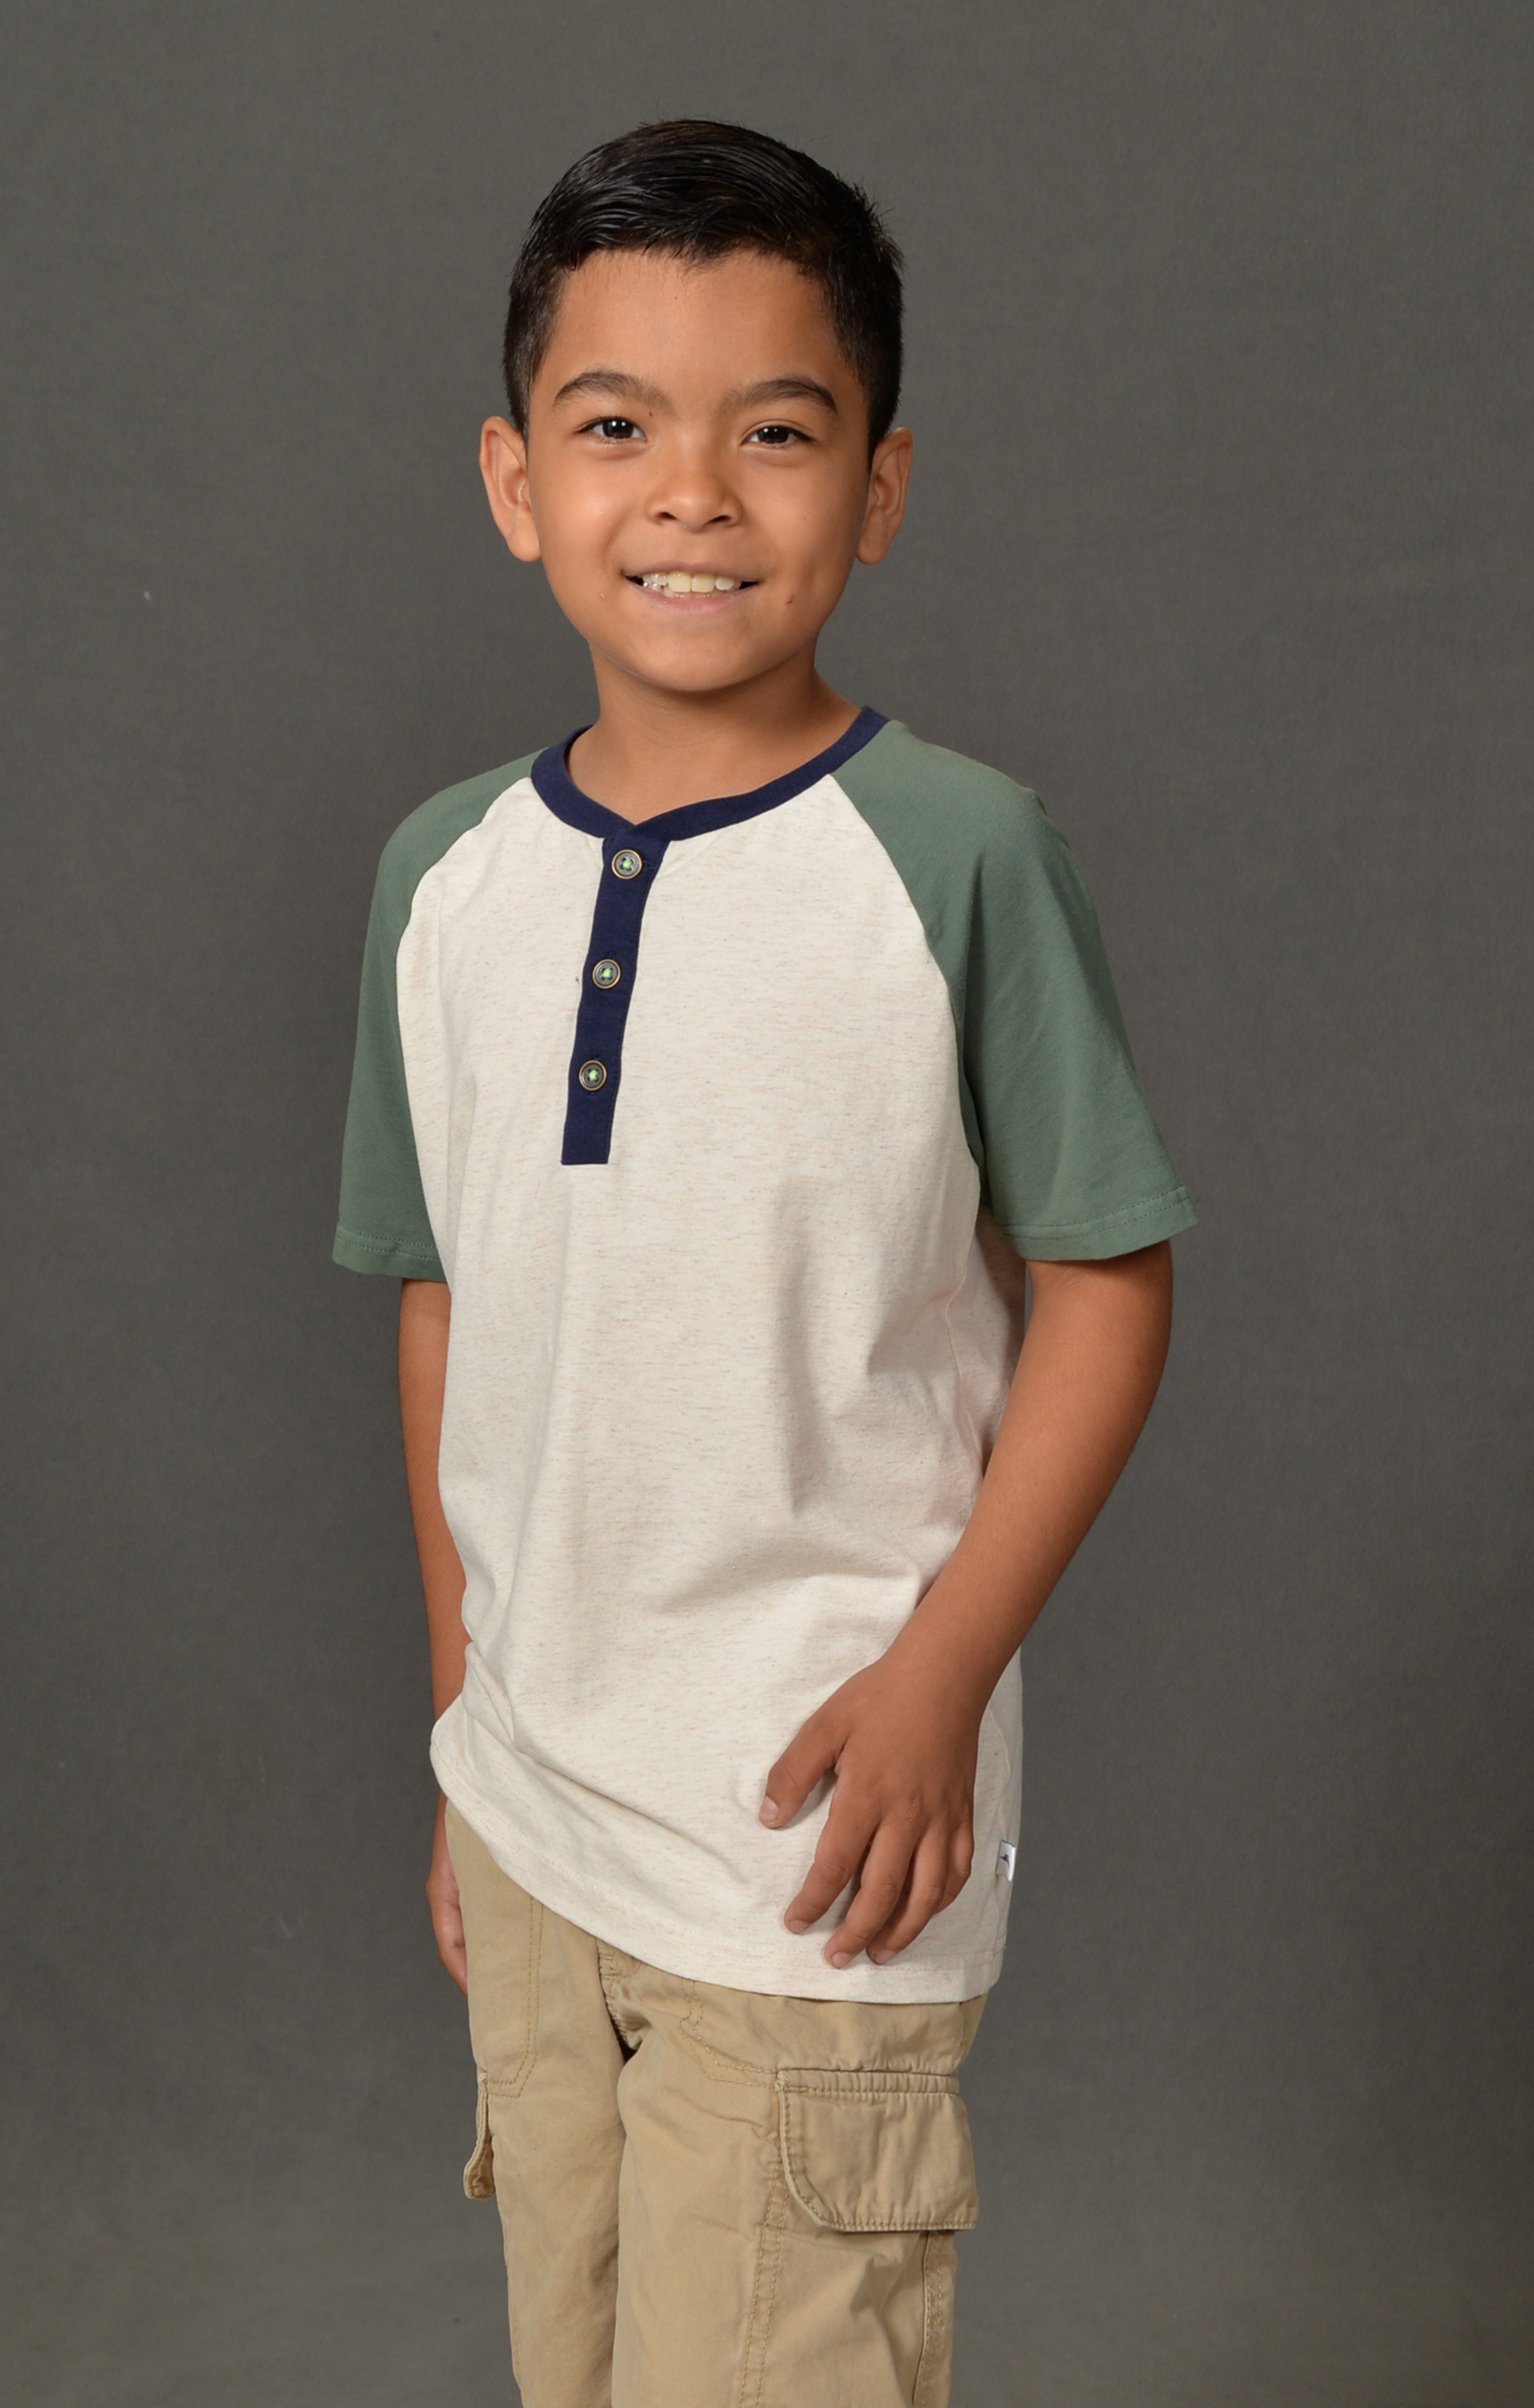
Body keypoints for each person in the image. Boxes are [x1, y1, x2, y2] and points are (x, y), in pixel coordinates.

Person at [334, 118, 1196, 2408]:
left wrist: (947, 1677)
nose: (695, 496)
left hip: (818, 1847)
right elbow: (443, 1304)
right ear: (516, 480)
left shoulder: (959, 858)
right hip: (538, 1822)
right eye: (619, 427)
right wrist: (463, 1727)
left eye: (778, 433)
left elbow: (1109, 1284)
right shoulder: (444, 884)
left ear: (879, 488)